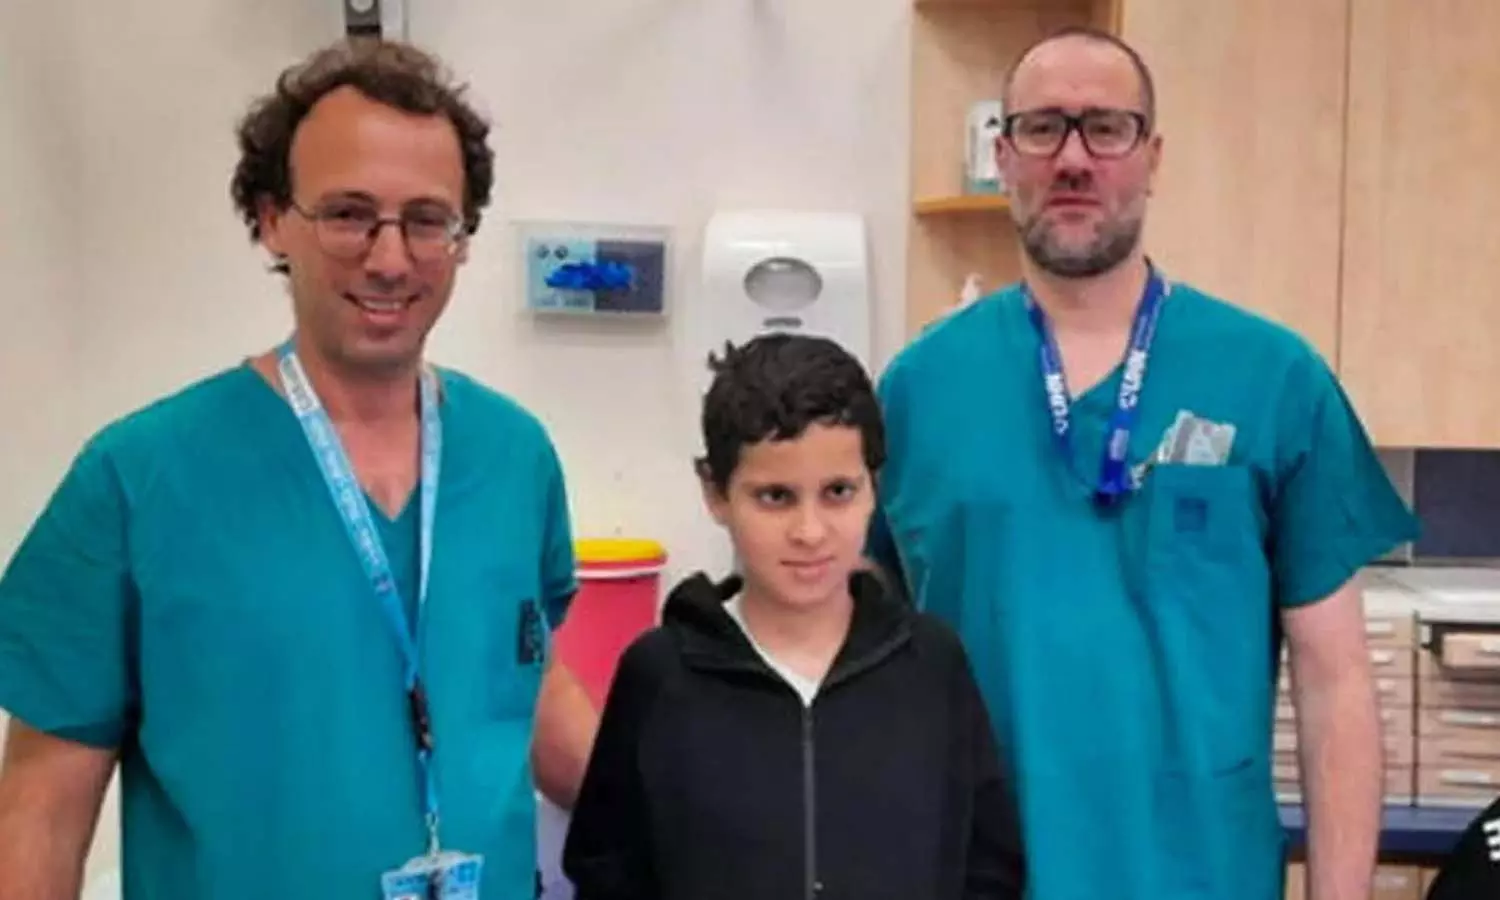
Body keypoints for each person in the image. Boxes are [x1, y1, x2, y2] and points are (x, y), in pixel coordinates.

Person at [0, 39, 598, 900]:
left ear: (462, 238)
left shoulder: (514, 457)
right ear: (273, 219)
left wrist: (697, 806)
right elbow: (42, 811)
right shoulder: (139, 480)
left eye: (426, 219)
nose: (390, 259)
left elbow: (520, 681)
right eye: (349, 214)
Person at [867, 25, 1421, 900]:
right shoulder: (917, 392)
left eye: (1106, 128)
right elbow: (859, 656)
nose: (1073, 159)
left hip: (1201, 873)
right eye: (1042, 129)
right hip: (980, 876)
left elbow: (1335, 682)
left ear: (1152, 157)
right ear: (1003, 158)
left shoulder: (1272, 379)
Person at [562, 333, 1026, 900]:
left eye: (838, 492)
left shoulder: (933, 666)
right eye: (776, 497)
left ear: (874, 488)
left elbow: (987, 871)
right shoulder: (658, 676)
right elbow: (609, 874)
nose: (809, 531)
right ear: (716, 494)